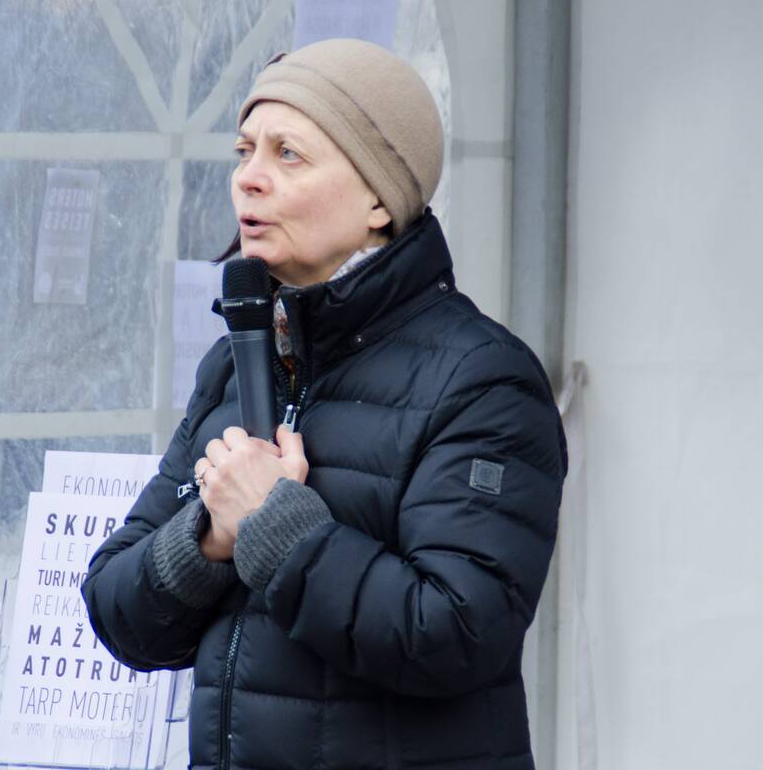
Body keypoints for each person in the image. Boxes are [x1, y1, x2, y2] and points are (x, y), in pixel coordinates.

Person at [81, 38, 567, 770]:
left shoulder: (482, 381)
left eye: (288, 155)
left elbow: (459, 634)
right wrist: (210, 536)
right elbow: (117, 609)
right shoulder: (234, 363)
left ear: (378, 199)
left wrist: (274, 526)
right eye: (244, 151)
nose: (249, 179)